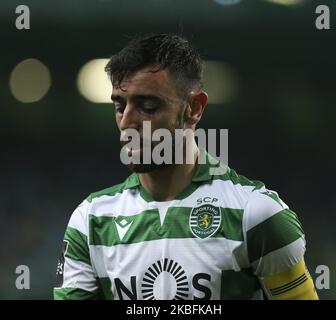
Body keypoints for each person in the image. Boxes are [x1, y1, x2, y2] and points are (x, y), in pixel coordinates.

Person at [54, 34, 318, 300]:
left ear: (193, 108)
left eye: (147, 107)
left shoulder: (258, 216)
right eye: (120, 106)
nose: (126, 123)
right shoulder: (90, 221)